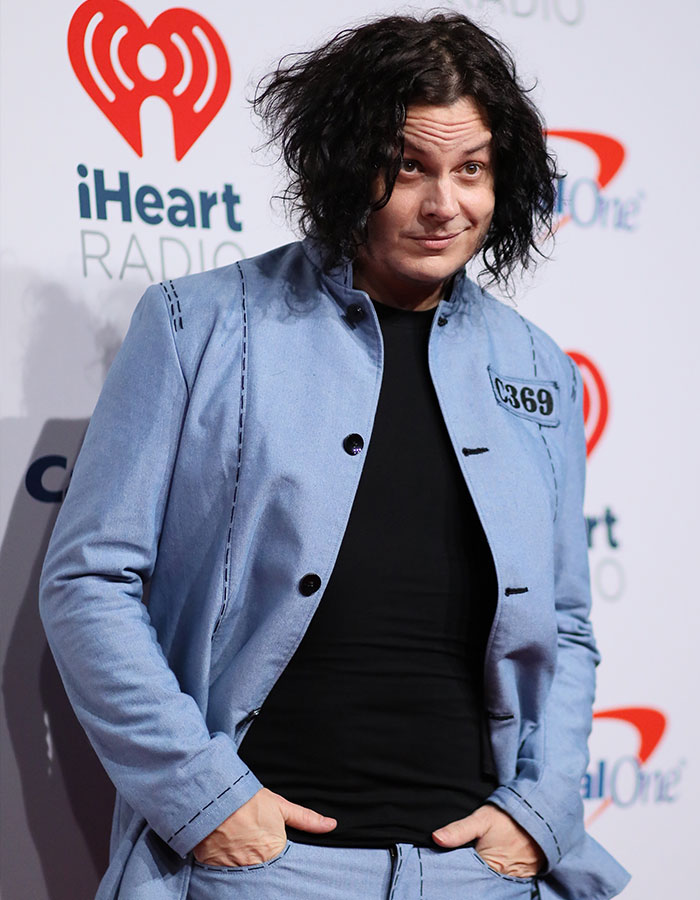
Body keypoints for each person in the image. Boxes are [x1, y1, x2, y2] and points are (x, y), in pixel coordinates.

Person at [40, 12, 630, 900]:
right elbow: (89, 580)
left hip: (481, 876)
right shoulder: (196, 324)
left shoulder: (538, 365)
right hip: (262, 872)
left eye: (471, 169)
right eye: (409, 168)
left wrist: (538, 813)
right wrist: (205, 801)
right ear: (346, 166)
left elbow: (568, 623)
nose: (446, 205)